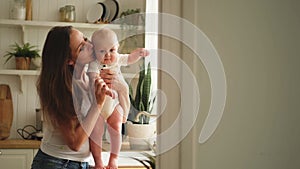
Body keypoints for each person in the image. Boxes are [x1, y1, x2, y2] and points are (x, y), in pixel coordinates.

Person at [31, 26, 130, 169]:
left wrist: (122, 88)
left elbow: (123, 118)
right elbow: (75, 143)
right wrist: (98, 103)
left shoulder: (91, 75)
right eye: (81, 48)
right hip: (56, 163)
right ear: (69, 60)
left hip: (81, 163)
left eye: (85, 38)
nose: (90, 45)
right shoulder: (60, 88)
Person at [87, 28, 149, 169]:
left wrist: (139, 53)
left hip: (114, 104)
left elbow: (129, 58)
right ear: (94, 52)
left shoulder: (117, 59)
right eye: (102, 51)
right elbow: (93, 79)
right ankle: (98, 162)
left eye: (112, 50)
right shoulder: (94, 64)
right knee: (96, 133)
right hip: (98, 105)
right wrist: (106, 89)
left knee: (116, 128)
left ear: (117, 48)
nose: (108, 55)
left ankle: (113, 159)